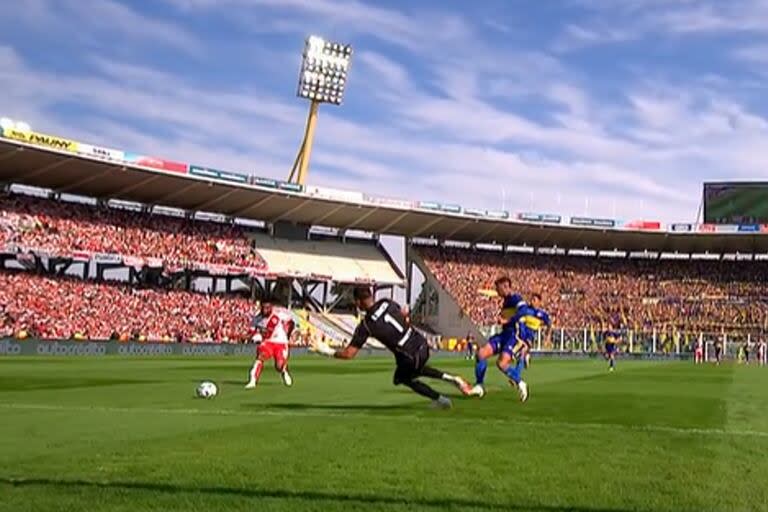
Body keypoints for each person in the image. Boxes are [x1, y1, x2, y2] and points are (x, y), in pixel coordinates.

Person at [311, 286, 472, 409]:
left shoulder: (366, 324)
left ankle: (440, 400)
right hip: (421, 344)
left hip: (408, 355)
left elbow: (349, 354)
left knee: (401, 378)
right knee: (417, 368)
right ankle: (452, 379)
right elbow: (404, 314)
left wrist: (325, 350)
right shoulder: (386, 302)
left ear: (358, 301)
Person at [470, 276, 530, 401]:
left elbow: (524, 311)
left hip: (514, 336)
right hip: (504, 335)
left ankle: (521, 383)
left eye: (498, 289)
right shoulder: (505, 301)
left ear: (505, 286)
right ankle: (479, 386)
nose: (496, 292)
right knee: (481, 353)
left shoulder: (515, 298)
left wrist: (508, 320)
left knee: (501, 363)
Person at [245, 298, 295, 389]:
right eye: (263, 307)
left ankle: (283, 371)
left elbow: (291, 322)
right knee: (260, 357)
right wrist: (254, 336)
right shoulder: (257, 319)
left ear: (271, 307)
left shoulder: (278, 315)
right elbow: (251, 330)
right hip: (268, 342)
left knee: (279, 365)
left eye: (267, 308)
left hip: (280, 342)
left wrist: (288, 334)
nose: (265, 310)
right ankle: (253, 380)